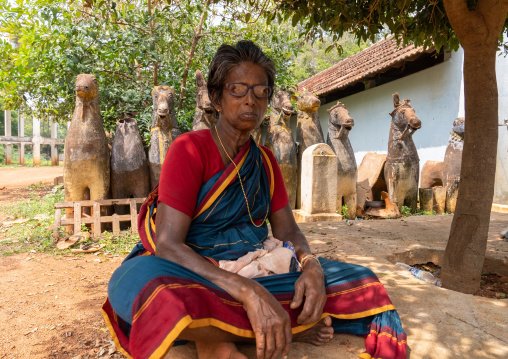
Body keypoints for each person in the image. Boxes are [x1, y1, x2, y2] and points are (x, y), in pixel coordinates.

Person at [102, 40, 407, 359]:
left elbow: (288, 233)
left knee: (362, 281)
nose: (250, 100)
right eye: (237, 89)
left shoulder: (265, 161)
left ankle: (221, 332)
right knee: (144, 286)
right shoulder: (189, 149)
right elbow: (167, 244)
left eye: (261, 91)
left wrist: (311, 265)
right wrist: (247, 291)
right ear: (217, 97)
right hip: (194, 271)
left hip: (256, 265)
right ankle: (269, 327)